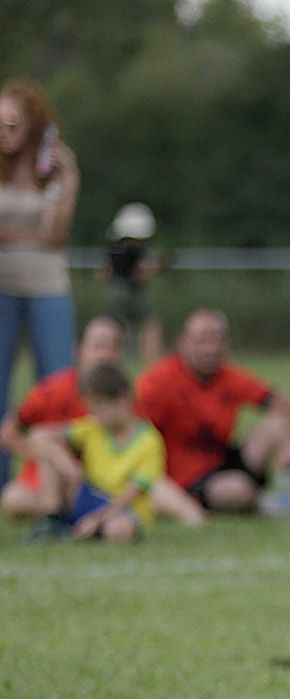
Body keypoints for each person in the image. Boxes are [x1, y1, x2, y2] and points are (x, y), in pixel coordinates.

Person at [135, 309, 290, 521]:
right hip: (184, 479)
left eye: (218, 340)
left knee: (282, 422)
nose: (212, 348)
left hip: (222, 461)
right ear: (183, 343)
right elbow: (134, 433)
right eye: (203, 340)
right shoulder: (159, 381)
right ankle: (270, 503)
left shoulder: (228, 376)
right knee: (237, 491)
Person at [1, 316, 202, 524]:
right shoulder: (52, 391)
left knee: (152, 483)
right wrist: (55, 459)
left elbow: (145, 440)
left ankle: (190, 517)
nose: (106, 355)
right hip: (61, 477)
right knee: (14, 499)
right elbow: (9, 434)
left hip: (114, 476)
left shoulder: (126, 396)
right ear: (78, 349)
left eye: (114, 347)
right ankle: (63, 512)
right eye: (98, 346)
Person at [0, 80, 78, 486]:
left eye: (12, 123)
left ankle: (55, 481)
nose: (4, 131)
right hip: (2, 286)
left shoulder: (54, 165)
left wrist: (69, 183)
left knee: (57, 384)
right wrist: (30, 239)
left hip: (48, 285)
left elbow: (55, 236)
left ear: (32, 122)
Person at [25, 363, 161, 544]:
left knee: (119, 530)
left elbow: (132, 493)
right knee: (46, 447)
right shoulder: (93, 428)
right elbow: (39, 435)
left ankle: (84, 528)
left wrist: (98, 519)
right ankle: (51, 517)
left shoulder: (149, 440)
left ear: (122, 400)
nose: (94, 415)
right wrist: (71, 471)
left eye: (99, 408)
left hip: (124, 508)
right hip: (88, 496)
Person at [102, 202, 164, 364]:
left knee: (117, 327)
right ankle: (150, 360)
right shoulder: (135, 250)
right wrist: (156, 266)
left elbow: (107, 271)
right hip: (130, 291)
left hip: (114, 290)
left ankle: (115, 360)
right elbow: (139, 274)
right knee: (147, 323)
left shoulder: (113, 247)